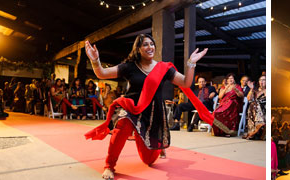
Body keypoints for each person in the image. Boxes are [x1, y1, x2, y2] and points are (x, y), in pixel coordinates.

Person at [83, 33, 208, 179]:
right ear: (138, 49)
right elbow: (102, 74)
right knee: (122, 126)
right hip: (132, 108)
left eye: (152, 44)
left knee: (148, 160)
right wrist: (95, 60)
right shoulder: (129, 66)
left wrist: (191, 64)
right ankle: (109, 166)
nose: (150, 47)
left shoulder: (164, 68)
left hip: (153, 114)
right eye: (145, 44)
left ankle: (156, 146)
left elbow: (186, 82)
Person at [243, 75, 266, 140]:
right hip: (254, 108)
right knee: (252, 104)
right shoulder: (255, 89)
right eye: (260, 80)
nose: (262, 81)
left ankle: (259, 126)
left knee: (256, 104)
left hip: (264, 108)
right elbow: (248, 98)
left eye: (264, 80)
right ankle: (253, 132)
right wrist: (251, 89)